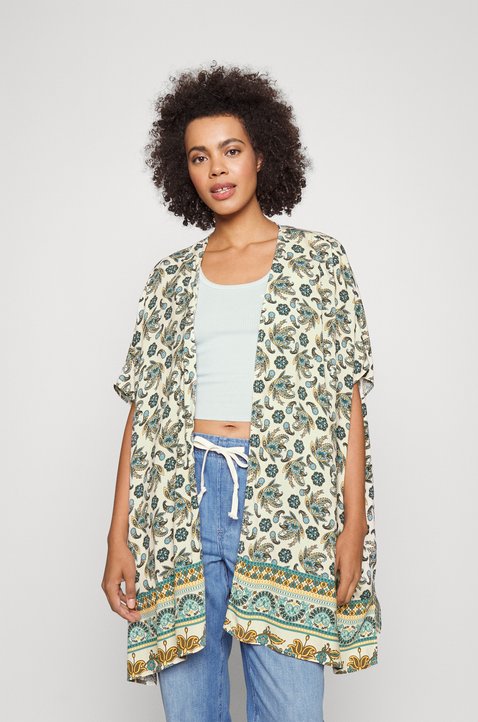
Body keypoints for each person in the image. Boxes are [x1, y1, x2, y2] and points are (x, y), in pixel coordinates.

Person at [102, 62, 382, 722]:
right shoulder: (169, 279)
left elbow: (347, 403)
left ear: (262, 154)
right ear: (183, 172)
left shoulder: (320, 261)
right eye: (199, 157)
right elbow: (142, 414)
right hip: (179, 502)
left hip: (289, 499)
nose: (217, 169)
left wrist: (354, 526)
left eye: (231, 150)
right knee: (191, 710)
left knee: (291, 710)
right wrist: (118, 537)